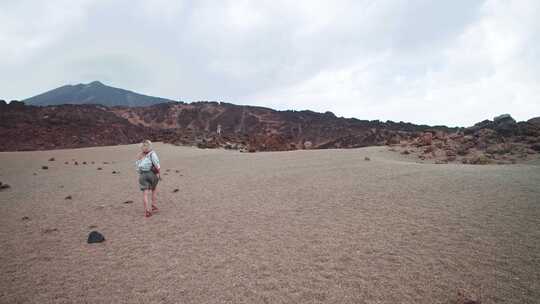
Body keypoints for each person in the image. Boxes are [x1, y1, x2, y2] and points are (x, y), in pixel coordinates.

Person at [135, 140, 161, 217]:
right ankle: (153, 205)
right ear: (150, 146)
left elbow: (137, 167)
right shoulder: (152, 154)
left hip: (142, 175)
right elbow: (156, 164)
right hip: (151, 174)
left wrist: (141, 173)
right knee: (154, 190)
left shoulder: (139, 155)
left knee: (145, 194)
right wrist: (159, 173)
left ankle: (147, 210)